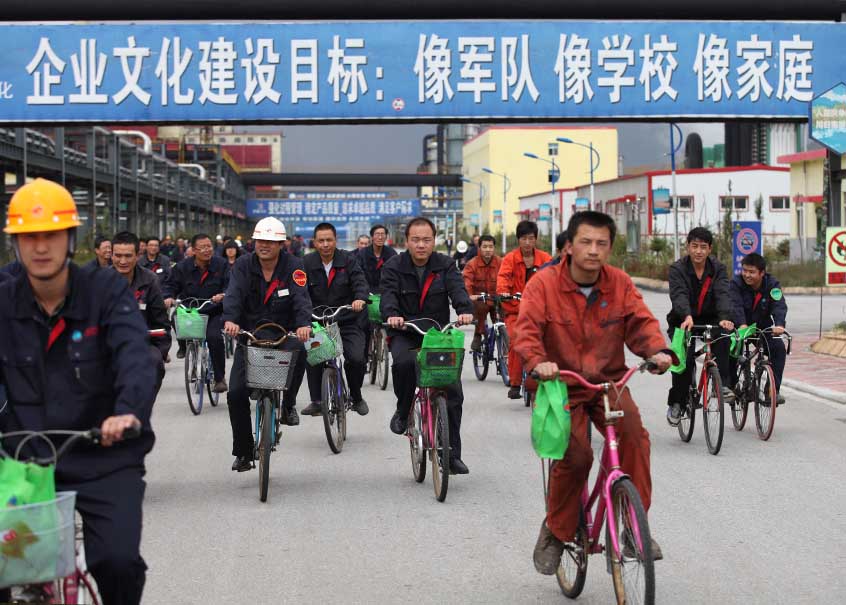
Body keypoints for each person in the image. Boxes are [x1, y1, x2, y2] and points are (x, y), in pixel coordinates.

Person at [0, 178, 155, 605]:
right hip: (22, 464)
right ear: (15, 244)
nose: (41, 247)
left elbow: (134, 355)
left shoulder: (105, 291)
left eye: (51, 235)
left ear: (71, 239)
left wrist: (127, 411)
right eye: (29, 237)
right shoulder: (4, 301)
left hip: (103, 456)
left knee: (118, 562)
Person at [513, 211, 673, 574]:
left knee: (635, 438)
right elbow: (526, 331)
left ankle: (634, 528)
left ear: (610, 249)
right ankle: (556, 531)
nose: (593, 250)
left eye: (602, 243)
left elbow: (641, 322)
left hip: (607, 383)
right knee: (576, 455)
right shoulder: (543, 285)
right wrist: (538, 362)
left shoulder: (619, 283)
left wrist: (657, 351)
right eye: (585, 242)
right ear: (569, 246)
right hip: (560, 385)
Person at [380, 217, 475, 475]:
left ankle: (452, 455)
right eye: (415, 240)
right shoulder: (393, 266)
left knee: (452, 390)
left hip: (436, 335)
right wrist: (392, 315)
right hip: (405, 331)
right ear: (406, 242)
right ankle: (403, 411)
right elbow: (388, 295)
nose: (421, 245)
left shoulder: (445, 265)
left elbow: (458, 290)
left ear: (434, 241)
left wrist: (464, 310)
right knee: (403, 364)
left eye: (426, 240)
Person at [222, 217, 312, 472]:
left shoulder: (295, 266)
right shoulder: (243, 265)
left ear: (281, 244)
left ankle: (288, 404)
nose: (264, 245)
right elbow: (234, 294)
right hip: (250, 334)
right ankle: (243, 451)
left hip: (284, 332)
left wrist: (303, 324)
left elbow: (301, 298)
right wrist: (231, 320)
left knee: (300, 352)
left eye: (271, 241)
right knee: (235, 393)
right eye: (261, 240)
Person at [666, 227, 735, 425]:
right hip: (683, 319)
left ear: (710, 249)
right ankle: (677, 403)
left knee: (725, 336)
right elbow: (678, 295)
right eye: (694, 246)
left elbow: (723, 293)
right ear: (688, 247)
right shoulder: (677, 269)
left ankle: (722, 384)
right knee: (684, 360)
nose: (698, 251)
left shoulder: (718, 269)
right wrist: (686, 315)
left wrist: (724, 317)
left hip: (711, 319)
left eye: (703, 247)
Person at [300, 223, 370, 417]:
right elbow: (299, 291)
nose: (325, 244)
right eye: (321, 240)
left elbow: (360, 283)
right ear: (314, 242)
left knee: (356, 359)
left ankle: (356, 396)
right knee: (314, 355)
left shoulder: (349, 260)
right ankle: (316, 400)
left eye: (329, 240)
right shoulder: (305, 263)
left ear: (335, 240)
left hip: (347, 320)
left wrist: (359, 298)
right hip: (319, 321)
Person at [162, 233, 229, 392]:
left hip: (213, 310)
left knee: (214, 338)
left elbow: (230, 284)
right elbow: (170, 285)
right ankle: (183, 345)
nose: (207, 250)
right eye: (202, 247)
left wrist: (223, 295)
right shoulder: (182, 267)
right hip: (190, 309)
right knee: (175, 317)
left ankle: (219, 378)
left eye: (209, 246)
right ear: (193, 250)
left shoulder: (221, 265)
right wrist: (169, 297)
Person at [496, 220, 552, 399]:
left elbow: (554, 277)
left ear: (536, 239)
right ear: (518, 240)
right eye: (524, 239)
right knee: (516, 341)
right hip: (515, 310)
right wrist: (504, 292)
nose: (527, 243)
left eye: (531, 238)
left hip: (539, 312)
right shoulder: (510, 259)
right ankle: (514, 383)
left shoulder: (545, 259)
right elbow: (503, 279)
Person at [112, 231, 172, 394]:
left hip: (143, 344)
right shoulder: (100, 280)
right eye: (118, 255)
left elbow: (161, 322)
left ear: (137, 255)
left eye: (128, 256)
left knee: (154, 363)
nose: (122, 261)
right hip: (108, 346)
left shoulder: (149, 280)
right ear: (111, 255)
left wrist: (161, 352)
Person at [729, 252, 788, 405]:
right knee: (730, 350)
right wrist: (741, 324)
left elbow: (779, 305)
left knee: (779, 349)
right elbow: (735, 306)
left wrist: (779, 324)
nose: (747, 275)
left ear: (762, 273)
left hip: (762, 327)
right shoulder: (736, 283)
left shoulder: (772, 284)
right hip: (739, 326)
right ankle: (731, 385)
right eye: (744, 271)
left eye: (752, 272)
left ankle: (772, 391)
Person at [462, 234, 502, 352]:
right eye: (485, 247)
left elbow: (507, 278)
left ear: (494, 248)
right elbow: (467, 283)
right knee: (480, 308)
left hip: (495, 298)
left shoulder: (501, 262)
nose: (488, 250)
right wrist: (470, 296)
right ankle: (478, 335)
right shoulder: (472, 264)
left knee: (503, 316)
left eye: (490, 246)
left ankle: (503, 338)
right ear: (479, 248)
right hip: (480, 299)